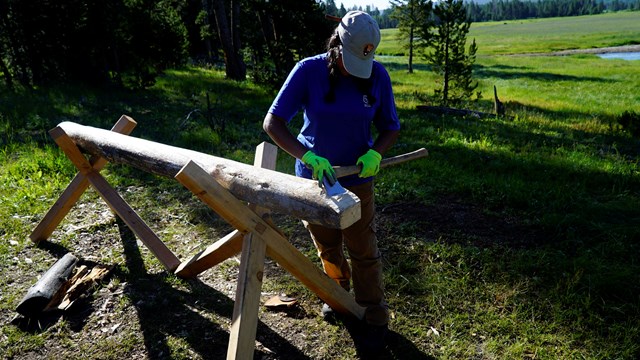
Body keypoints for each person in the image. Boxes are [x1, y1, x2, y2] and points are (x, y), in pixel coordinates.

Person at [262, 10, 400, 350]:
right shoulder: (308, 71)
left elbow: (390, 126)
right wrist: (306, 156)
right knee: (327, 245)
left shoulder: (377, 76)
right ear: (337, 44)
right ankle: (337, 296)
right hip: (315, 180)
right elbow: (273, 122)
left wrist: (375, 153)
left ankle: (373, 312)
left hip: (358, 180)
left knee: (363, 248)